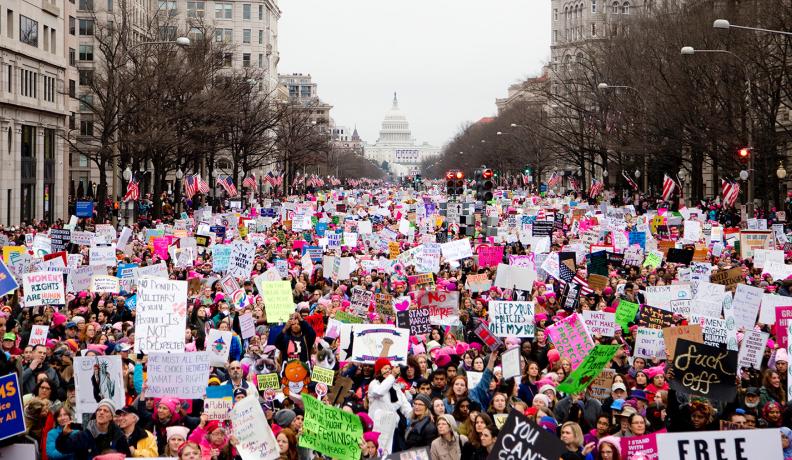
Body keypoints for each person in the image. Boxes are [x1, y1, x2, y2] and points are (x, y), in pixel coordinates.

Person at [56, 399, 131, 460]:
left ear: (111, 417)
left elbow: (126, 457)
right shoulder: (83, 436)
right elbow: (63, 448)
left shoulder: (118, 436)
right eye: (99, 410)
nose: (101, 412)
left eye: (105, 411)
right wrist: (63, 435)